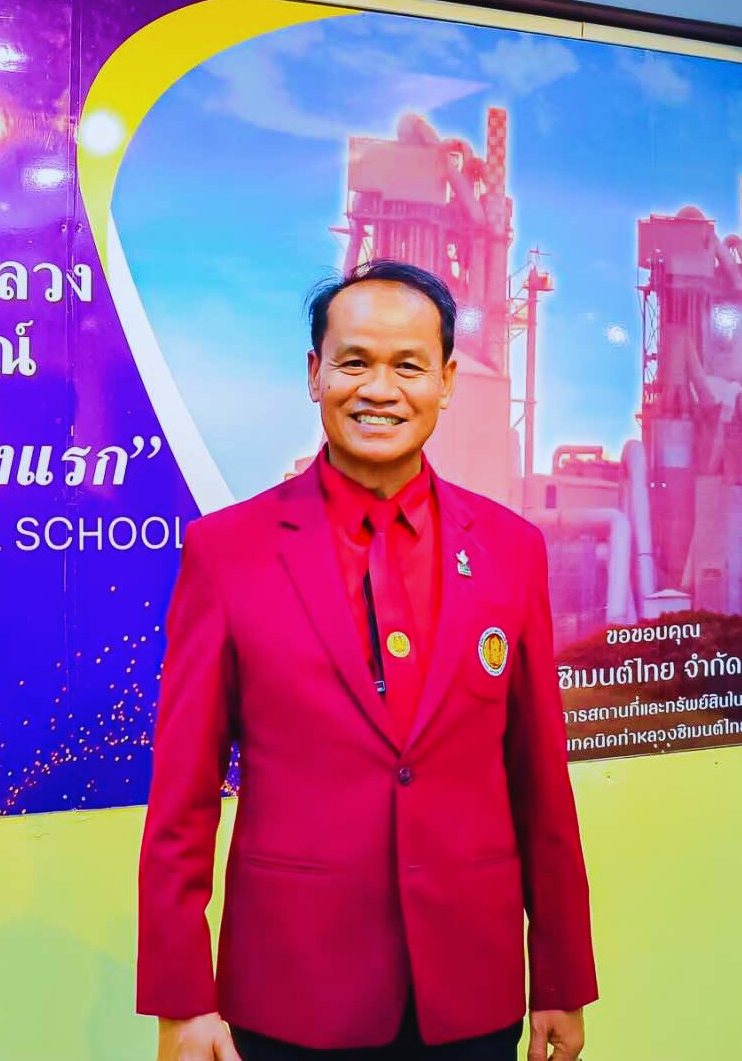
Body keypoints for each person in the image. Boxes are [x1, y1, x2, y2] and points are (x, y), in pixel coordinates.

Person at [137, 261, 596, 1060]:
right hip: (293, 989)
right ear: (315, 374)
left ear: (446, 382)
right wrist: (183, 1001)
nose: (379, 390)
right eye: (354, 363)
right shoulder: (228, 553)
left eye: (408, 366)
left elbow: (541, 786)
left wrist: (559, 976)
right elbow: (183, 797)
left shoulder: (511, 551)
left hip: (471, 991)